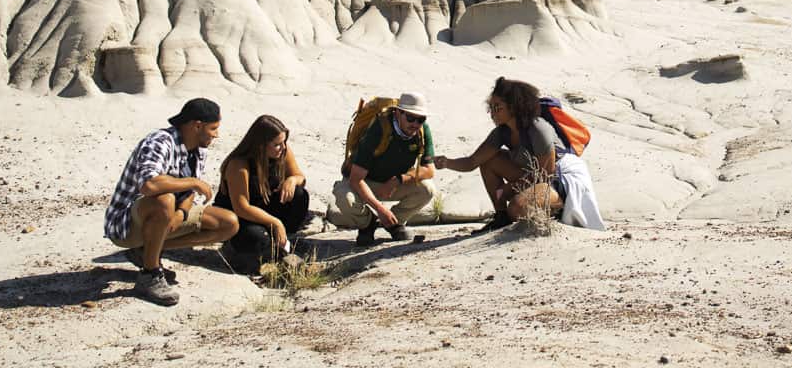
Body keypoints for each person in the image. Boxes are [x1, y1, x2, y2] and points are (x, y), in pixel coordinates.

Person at [104, 98, 240, 306]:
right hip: (126, 224)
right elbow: (148, 185)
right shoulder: (160, 141)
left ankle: (148, 251)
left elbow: (189, 194)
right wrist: (193, 182)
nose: (216, 135)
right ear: (197, 125)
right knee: (164, 200)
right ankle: (150, 274)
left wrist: (182, 214)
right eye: (213, 128)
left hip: (167, 217)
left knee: (229, 223)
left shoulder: (199, 151)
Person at [434, 77, 605, 232]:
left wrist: (510, 188)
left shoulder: (538, 128)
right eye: (490, 107)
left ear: (514, 107)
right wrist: (447, 162)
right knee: (490, 160)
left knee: (518, 207)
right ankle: (501, 217)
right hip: (534, 176)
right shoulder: (501, 132)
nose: (492, 113)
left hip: (561, 179)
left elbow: (546, 175)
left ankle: (556, 211)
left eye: (497, 107)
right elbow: (472, 162)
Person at [333, 92, 436, 246]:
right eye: (410, 118)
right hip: (364, 182)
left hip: (393, 184)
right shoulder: (379, 128)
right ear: (398, 113)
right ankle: (367, 225)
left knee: (427, 190)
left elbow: (429, 170)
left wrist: (398, 180)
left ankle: (394, 223)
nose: (415, 124)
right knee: (344, 198)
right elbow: (356, 179)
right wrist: (380, 209)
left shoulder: (422, 131)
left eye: (420, 119)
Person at [213, 115, 309, 272]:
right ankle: (235, 248)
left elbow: (300, 177)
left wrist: (291, 180)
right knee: (257, 239)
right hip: (239, 216)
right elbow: (241, 207)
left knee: (299, 195)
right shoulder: (239, 164)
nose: (283, 147)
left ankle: (284, 241)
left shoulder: (283, 151)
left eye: (284, 142)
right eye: (277, 144)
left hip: (264, 205)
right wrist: (275, 223)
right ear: (261, 145)